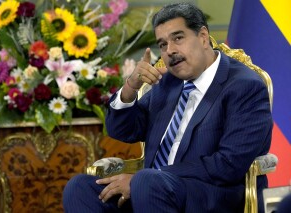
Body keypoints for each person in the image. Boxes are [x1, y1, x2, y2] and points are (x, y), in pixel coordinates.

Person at [63, 2, 272, 212]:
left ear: (203, 37)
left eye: (178, 38)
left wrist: (150, 177)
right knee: (80, 188)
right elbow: (123, 130)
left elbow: (228, 164)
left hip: (209, 195)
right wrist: (130, 87)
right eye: (162, 44)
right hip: (151, 189)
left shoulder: (245, 86)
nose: (170, 50)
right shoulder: (167, 82)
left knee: (146, 182)